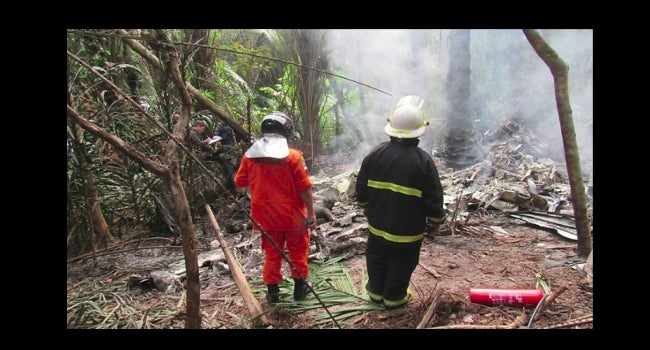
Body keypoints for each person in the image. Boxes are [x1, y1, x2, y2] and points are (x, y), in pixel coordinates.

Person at [355, 95, 446, 310]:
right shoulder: (423, 161)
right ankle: (394, 298)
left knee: (376, 257)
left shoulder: (375, 154)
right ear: (419, 131)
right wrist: (436, 220)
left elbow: (361, 189)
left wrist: (366, 208)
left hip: (377, 226)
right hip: (407, 231)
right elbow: (434, 196)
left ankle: (375, 293)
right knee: (401, 261)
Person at [233, 111, 317, 304]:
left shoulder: (249, 156)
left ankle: (273, 293)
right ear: (287, 132)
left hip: (264, 217)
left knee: (272, 254)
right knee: (298, 251)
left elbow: (240, 182)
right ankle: (299, 291)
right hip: (292, 216)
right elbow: (305, 188)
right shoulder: (294, 157)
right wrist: (311, 213)